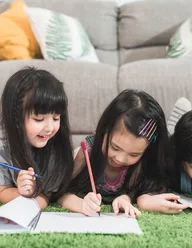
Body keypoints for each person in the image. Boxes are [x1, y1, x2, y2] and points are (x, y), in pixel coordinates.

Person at [60, 89, 182, 217]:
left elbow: (144, 189)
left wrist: (125, 198)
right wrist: (80, 204)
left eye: (134, 154)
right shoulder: (87, 152)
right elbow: (60, 192)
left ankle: (172, 130)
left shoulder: (144, 160)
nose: (120, 159)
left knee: (172, 150)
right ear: (103, 131)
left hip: (162, 148)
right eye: (115, 147)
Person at [0, 67, 74, 209]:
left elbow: (46, 196)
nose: (49, 128)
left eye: (56, 118)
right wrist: (21, 193)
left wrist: (32, 196)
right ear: (16, 118)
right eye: (39, 119)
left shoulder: (56, 142)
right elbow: (2, 191)